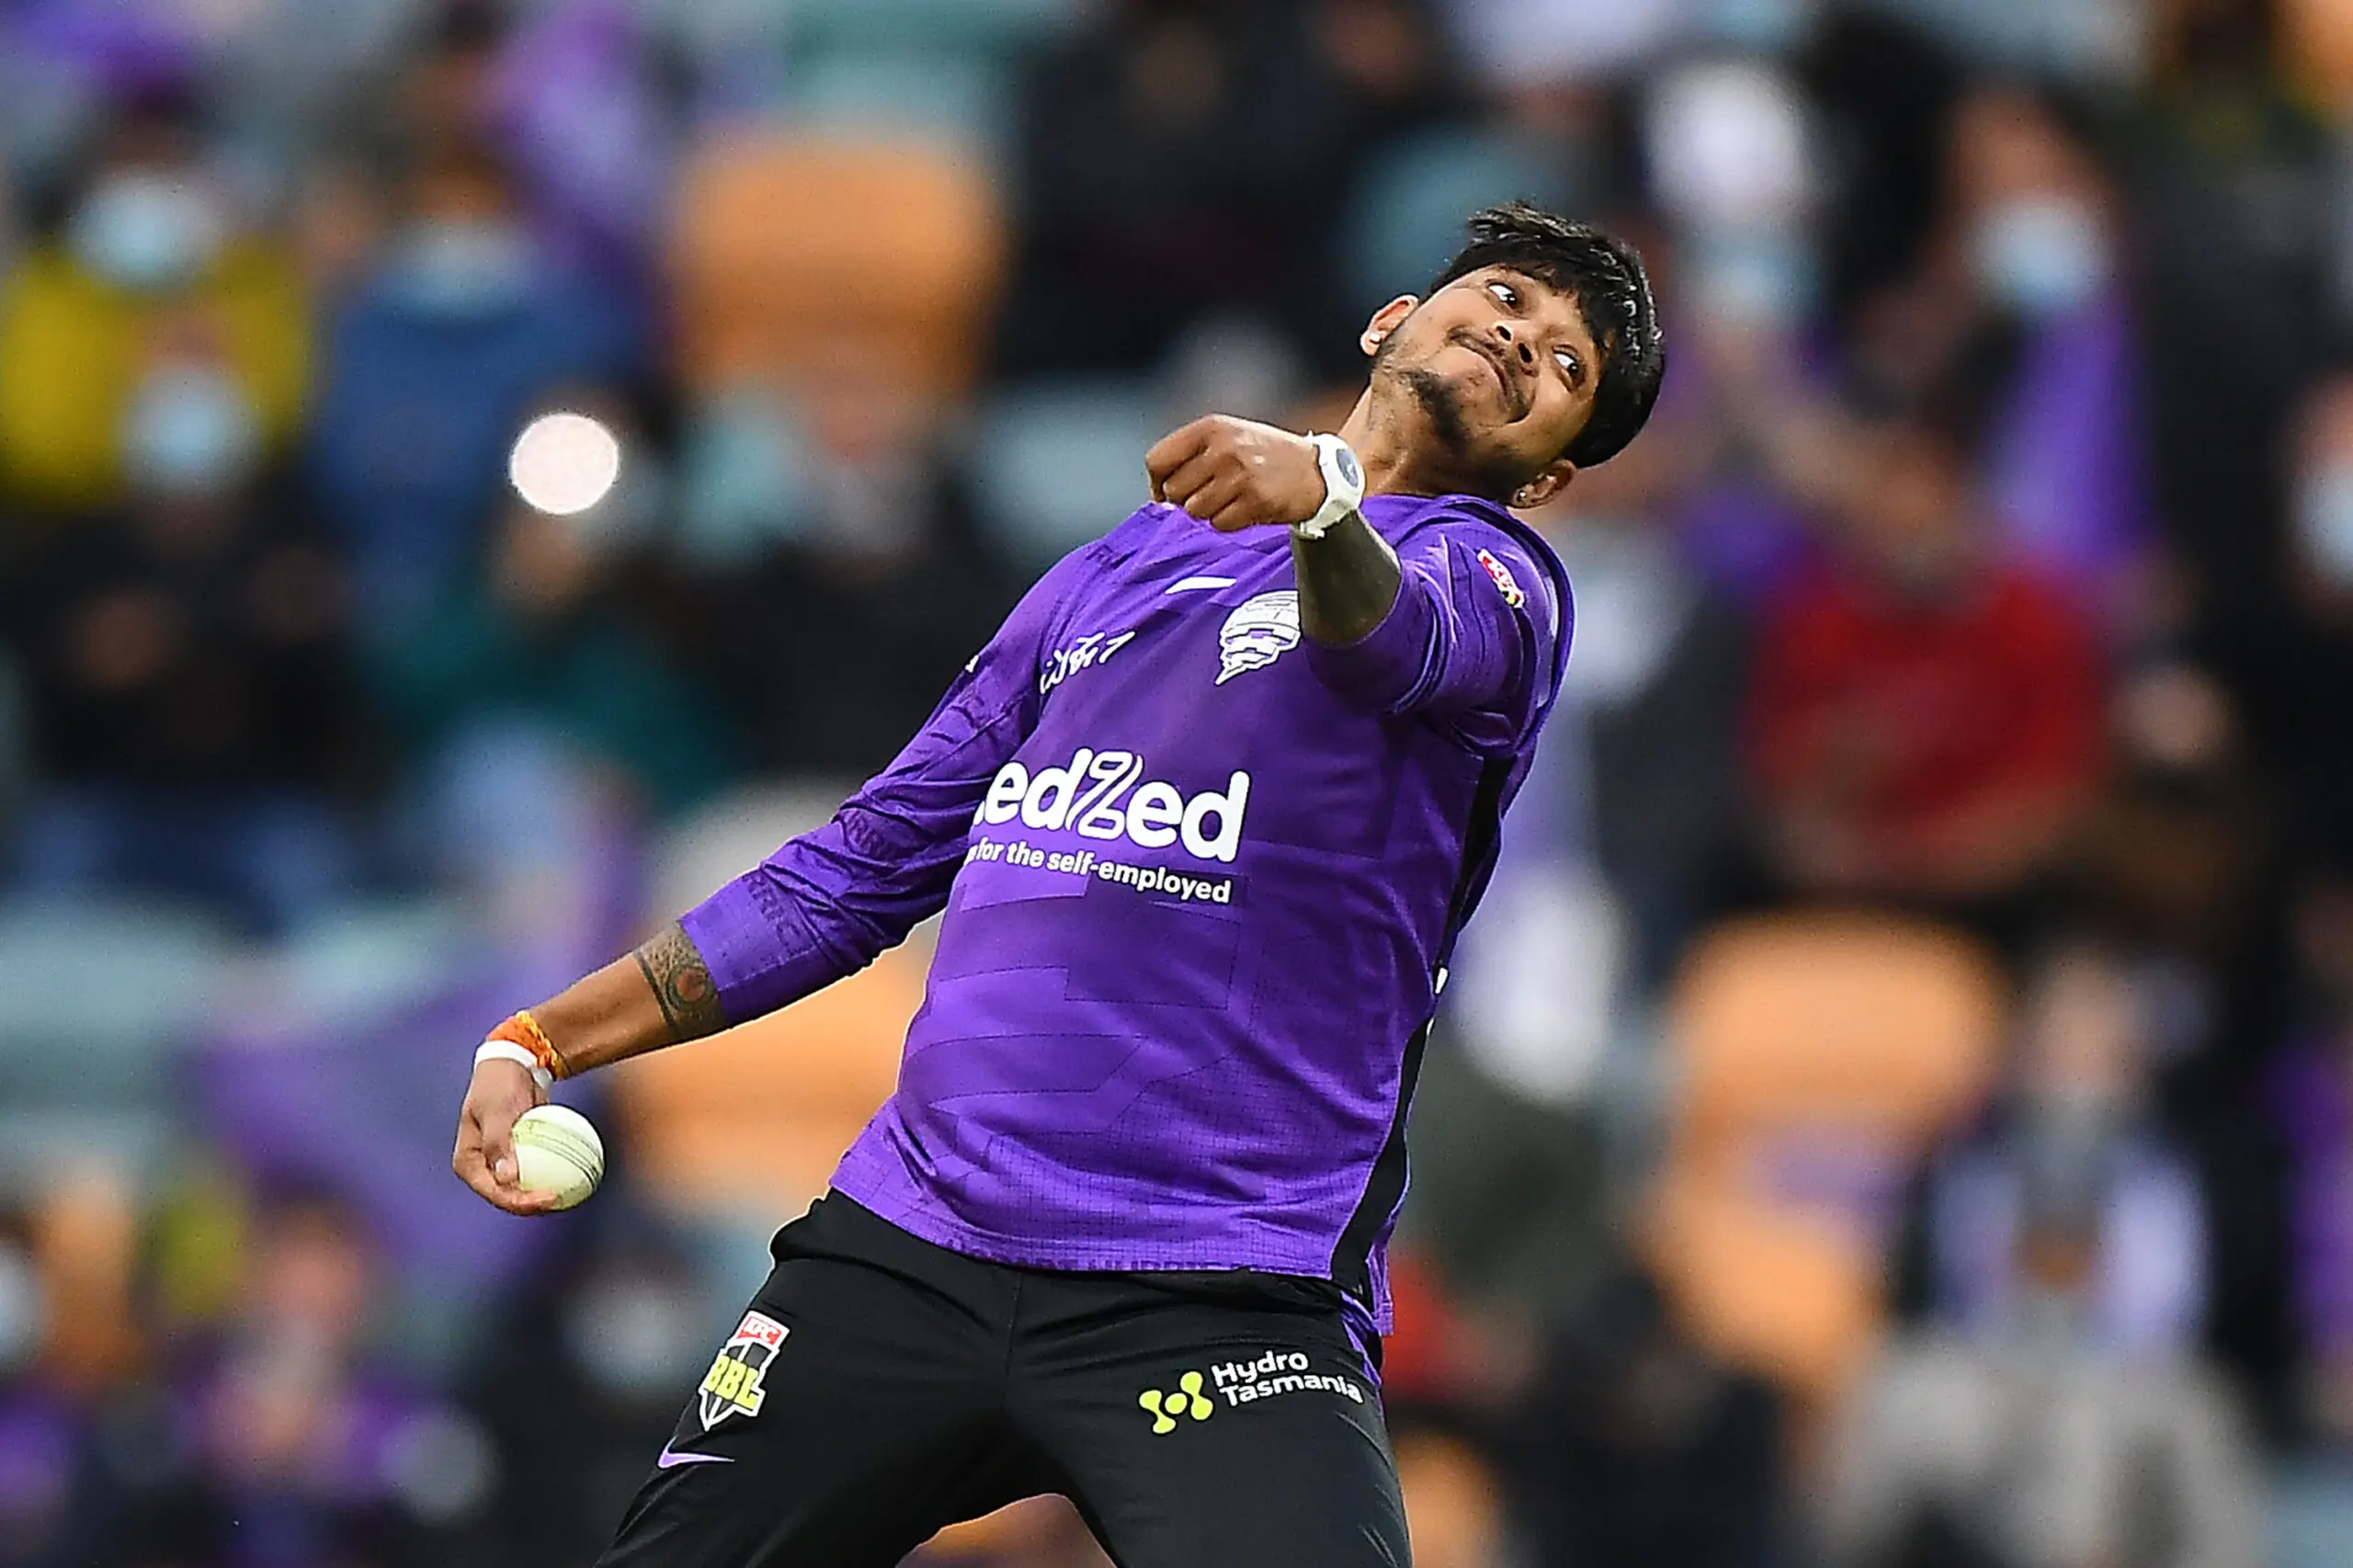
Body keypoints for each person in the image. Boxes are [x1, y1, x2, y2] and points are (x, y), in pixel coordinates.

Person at [449, 202, 1664, 1567]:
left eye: (1568, 365)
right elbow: (859, 867)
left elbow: (1385, 637)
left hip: (1222, 1289)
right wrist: (542, 1039)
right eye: (1505, 297)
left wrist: (1327, 500)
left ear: (1550, 477)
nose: (1523, 339)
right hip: (915, 1246)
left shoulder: (1500, 588)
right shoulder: (1117, 569)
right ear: (1394, 322)